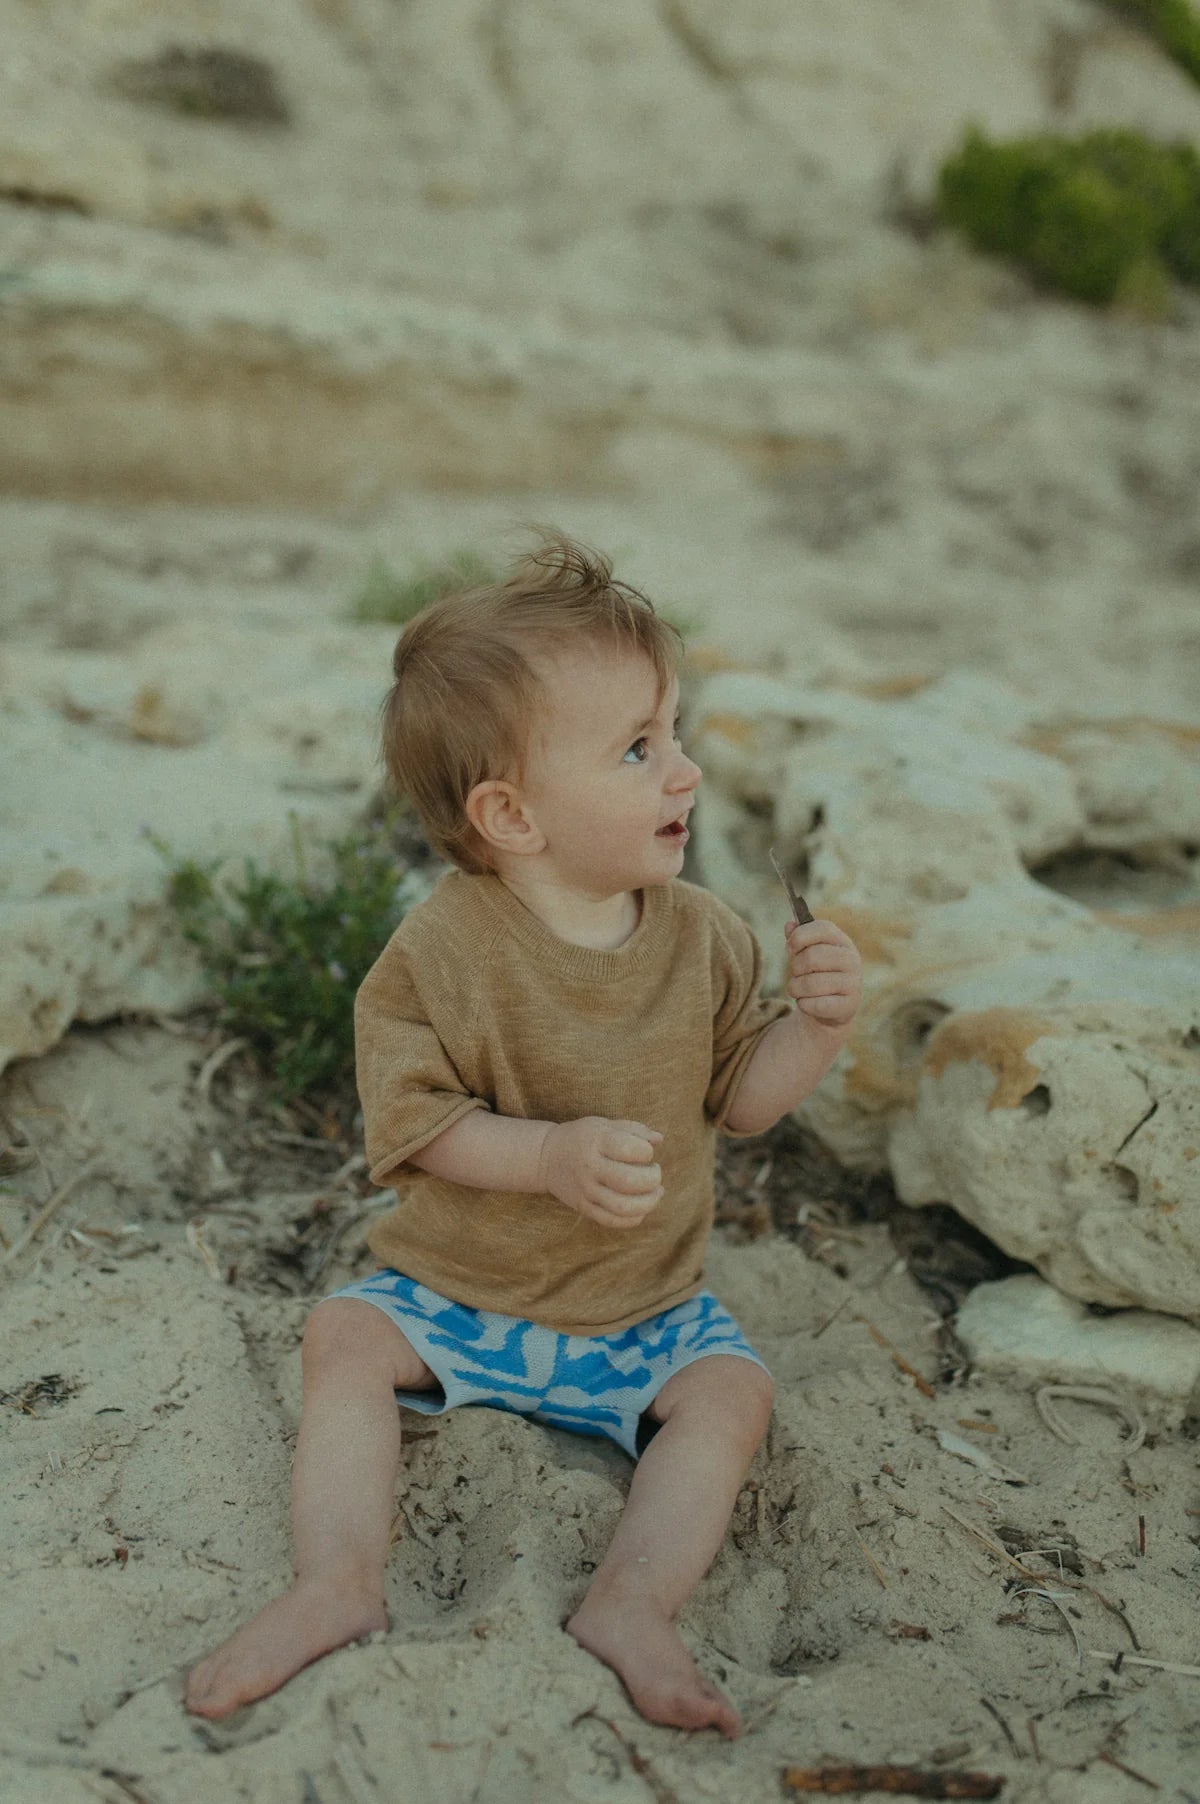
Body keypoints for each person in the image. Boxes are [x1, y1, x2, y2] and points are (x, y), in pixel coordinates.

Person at [186, 533, 863, 1735]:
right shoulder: (439, 955)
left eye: (675, 733)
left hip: (643, 1310)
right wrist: (546, 1155)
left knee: (729, 1397)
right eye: (638, 749)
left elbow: (741, 1100)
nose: (687, 773)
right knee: (343, 1335)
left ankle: (632, 1603)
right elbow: (418, 1125)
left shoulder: (706, 937)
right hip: (465, 1289)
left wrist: (810, 1029)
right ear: (512, 814)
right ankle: (336, 1581)